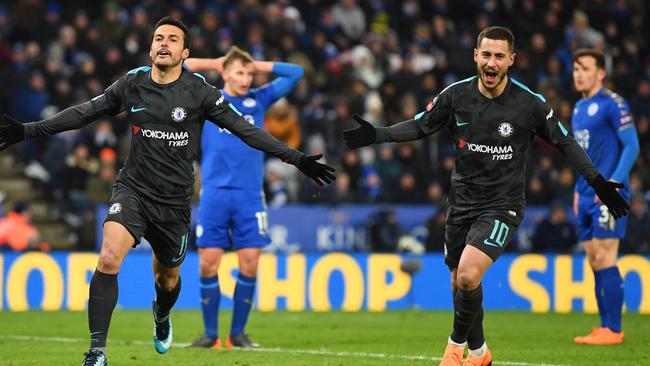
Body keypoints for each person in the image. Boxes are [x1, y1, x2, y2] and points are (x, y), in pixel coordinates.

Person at [0, 17, 334, 366]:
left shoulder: (200, 91)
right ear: (150, 47)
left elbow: (245, 130)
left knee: (168, 278)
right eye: (159, 37)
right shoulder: (134, 82)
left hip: (174, 203)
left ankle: (161, 314)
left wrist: (296, 159)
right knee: (109, 257)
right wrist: (29, 130)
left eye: (173, 39)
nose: (164, 43)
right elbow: (86, 112)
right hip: (133, 189)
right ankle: (97, 352)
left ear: (184, 52)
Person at [342, 26, 629, 366]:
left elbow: (566, 143)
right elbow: (421, 124)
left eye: (499, 56)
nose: (492, 62)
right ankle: (480, 353)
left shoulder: (530, 104)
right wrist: (378, 134)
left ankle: (453, 349)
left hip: (503, 205)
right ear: (476, 56)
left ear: (511, 60)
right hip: (461, 202)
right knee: (458, 282)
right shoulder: (456, 95)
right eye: (486, 55)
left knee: (467, 275)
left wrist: (597, 182)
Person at [182, 46, 304, 349]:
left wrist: (256, 64)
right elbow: (178, 67)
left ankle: (237, 333)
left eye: (249, 73)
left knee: (250, 262)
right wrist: (215, 61)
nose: (246, 78)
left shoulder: (260, 98)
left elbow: (296, 72)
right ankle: (210, 334)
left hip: (250, 195)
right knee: (208, 263)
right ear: (225, 73)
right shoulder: (206, 97)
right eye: (240, 72)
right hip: (215, 194)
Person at [570, 48, 639, 345]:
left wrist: (614, 183)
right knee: (594, 259)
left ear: (601, 73)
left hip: (608, 193)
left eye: (585, 68)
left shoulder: (613, 104)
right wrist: (576, 189)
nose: (579, 74)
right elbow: (582, 155)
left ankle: (614, 329)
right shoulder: (577, 108)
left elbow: (632, 146)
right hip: (585, 194)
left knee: (606, 256)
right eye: (575, 69)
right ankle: (603, 326)